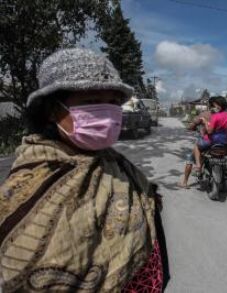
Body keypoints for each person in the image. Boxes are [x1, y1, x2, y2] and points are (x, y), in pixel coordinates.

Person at [0, 48, 168, 291]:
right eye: (90, 101)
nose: (108, 114)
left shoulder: (115, 162)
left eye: (112, 102)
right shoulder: (30, 180)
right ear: (51, 110)